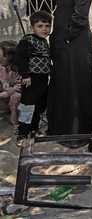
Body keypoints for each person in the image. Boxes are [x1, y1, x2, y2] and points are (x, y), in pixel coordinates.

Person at [47, 0, 92, 140]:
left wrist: (66, 38)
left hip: (74, 46)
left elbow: (80, 15)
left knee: (76, 87)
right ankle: (63, 130)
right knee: (64, 86)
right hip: (67, 45)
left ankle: (77, 133)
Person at [14, 11, 52, 143]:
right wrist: (25, 75)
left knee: (39, 106)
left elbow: (47, 61)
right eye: (40, 26)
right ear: (32, 27)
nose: (44, 29)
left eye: (47, 26)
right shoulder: (27, 40)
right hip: (30, 80)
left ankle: (33, 129)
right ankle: (22, 133)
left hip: (42, 80)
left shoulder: (45, 43)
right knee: (27, 107)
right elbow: (20, 58)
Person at [0, 41, 21, 126]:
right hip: (5, 95)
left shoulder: (20, 69)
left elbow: (19, 88)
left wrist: (7, 92)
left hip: (17, 97)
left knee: (15, 96)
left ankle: (15, 120)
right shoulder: (2, 67)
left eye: (2, 55)